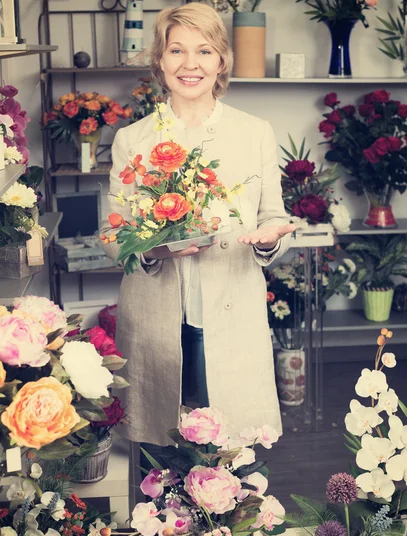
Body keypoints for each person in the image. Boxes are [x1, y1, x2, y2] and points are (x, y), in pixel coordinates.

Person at [101, 3, 295, 472]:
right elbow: (113, 233)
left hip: (231, 318)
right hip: (157, 321)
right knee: (162, 467)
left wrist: (269, 240)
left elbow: (274, 217)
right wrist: (153, 250)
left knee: (235, 464)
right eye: (177, 50)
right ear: (160, 61)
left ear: (222, 60)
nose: (191, 64)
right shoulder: (134, 139)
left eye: (204, 50)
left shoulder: (255, 134)